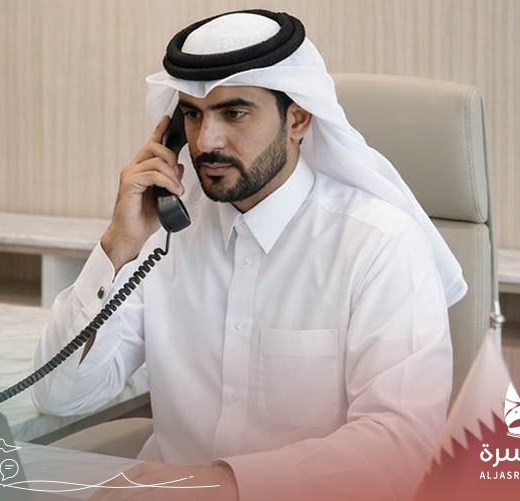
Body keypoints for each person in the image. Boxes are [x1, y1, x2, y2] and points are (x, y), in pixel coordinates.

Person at [32, 9, 465, 501]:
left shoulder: (380, 245)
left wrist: (216, 486)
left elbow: (398, 448)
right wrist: (118, 245)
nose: (205, 142)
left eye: (234, 113)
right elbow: (61, 395)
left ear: (297, 119)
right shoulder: (166, 235)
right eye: (192, 115)